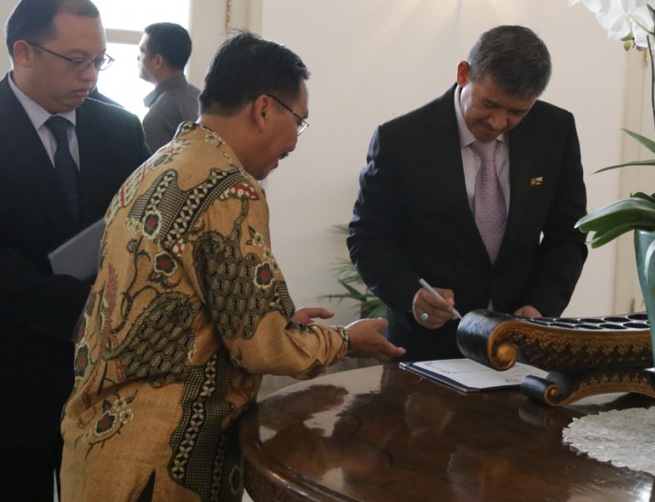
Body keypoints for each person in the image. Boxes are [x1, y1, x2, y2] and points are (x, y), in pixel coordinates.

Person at [60, 31, 405, 502]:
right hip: (162, 458)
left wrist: (277, 321)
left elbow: (184, 307)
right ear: (263, 109)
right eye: (299, 121)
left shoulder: (159, 166)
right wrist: (344, 340)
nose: (295, 142)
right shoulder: (229, 188)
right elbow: (261, 347)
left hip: (104, 441)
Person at [0, 0, 150, 502]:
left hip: (100, 379)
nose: (90, 75)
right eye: (76, 60)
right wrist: (91, 309)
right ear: (24, 52)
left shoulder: (120, 128)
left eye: (99, 61)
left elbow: (143, 231)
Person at [347, 25, 588, 361]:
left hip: (519, 341)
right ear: (463, 74)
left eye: (516, 112)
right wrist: (412, 295)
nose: (498, 122)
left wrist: (539, 307)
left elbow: (568, 234)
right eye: (489, 104)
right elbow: (368, 237)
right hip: (427, 345)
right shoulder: (401, 140)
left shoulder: (555, 131)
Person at [138, 22, 201, 152]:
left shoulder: (159, 114)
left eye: (142, 51)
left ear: (157, 61)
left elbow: (154, 164)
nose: (138, 57)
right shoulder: (200, 97)